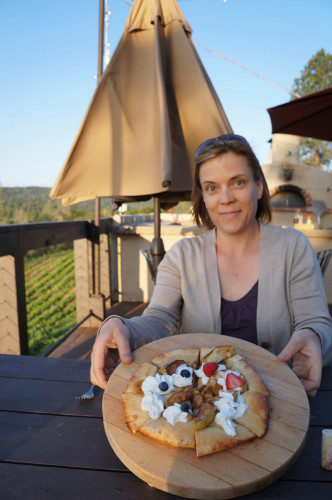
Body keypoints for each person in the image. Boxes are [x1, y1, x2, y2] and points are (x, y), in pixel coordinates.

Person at [90, 134, 332, 396]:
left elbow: (315, 321)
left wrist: (314, 337)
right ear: (204, 197)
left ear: (259, 187)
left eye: (237, 182)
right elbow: (160, 320)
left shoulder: (293, 247)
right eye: (212, 188)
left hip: (282, 399)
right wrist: (120, 326)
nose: (225, 198)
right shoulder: (182, 256)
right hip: (203, 406)